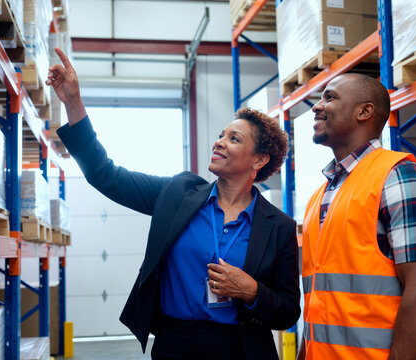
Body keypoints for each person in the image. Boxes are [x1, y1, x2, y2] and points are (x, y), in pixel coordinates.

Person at [46, 48, 300, 360]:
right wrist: (73, 102)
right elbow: (105, 175)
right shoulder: (178, 194)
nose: (219, 141)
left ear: (259, 159)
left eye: (234, 139)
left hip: (240, 348)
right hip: (174, 345)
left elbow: (288, 311)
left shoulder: (279, 227)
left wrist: (251, 291)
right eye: (221, 135)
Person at [298, 73, 416, 360]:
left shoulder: (401, 178)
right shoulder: (320, 196)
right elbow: (318, 305)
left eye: (330, 97)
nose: (317, 106)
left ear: (364, 112)